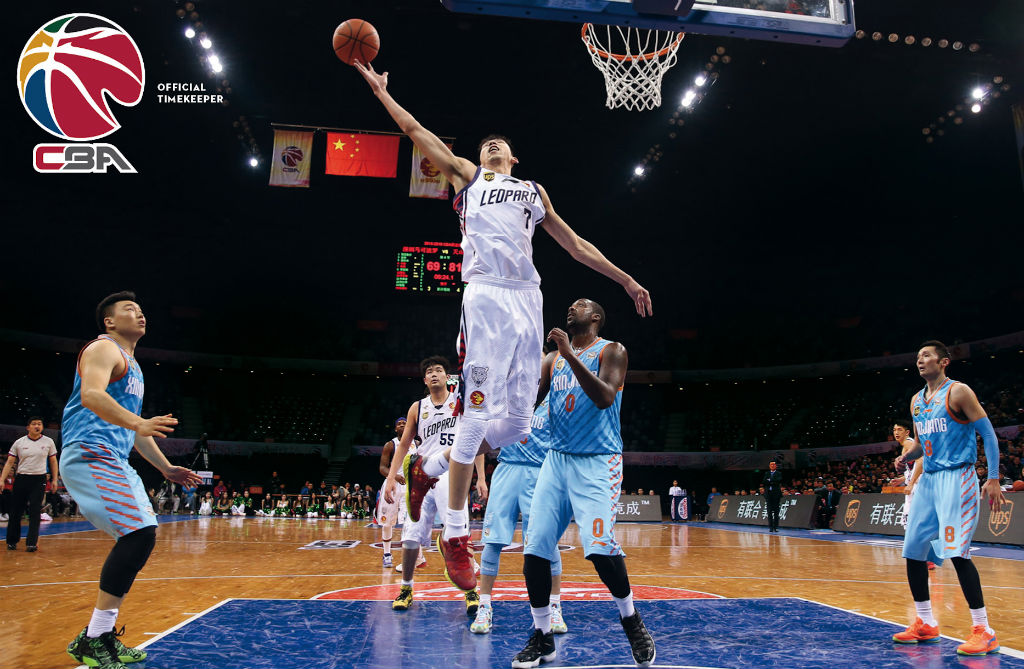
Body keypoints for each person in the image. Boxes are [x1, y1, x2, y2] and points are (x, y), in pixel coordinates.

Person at [355, 61, 653, 592]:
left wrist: (626, 279)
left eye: (499, 145)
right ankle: (454, 534)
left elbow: (575, 245)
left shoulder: (533, 192)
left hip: (528, 300)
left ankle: (431, 466)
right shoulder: (469, 177)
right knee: (475, 410)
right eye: (485, 144)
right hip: (488, 295)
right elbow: (415, 131)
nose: (491, 146)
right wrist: (381, 93)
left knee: (515, 428)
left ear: (514, 158)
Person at [60, 291, 201, 669]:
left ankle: (99, 635)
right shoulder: (103, 348)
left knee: (142, 535)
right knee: (138, 534)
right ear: (109, 321)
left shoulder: (133, 365)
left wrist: (166, 468)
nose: (139, 315)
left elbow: (136, 432)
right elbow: (91, 395)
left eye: (141, 311)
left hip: (114, 458)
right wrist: (139, 421)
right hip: (90, 453)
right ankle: (94, 638)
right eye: (129, 310)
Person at [514, 299, 655, 668]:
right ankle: (542, 635)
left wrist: (568, 354)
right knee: (535, 549)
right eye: (570, 305)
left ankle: (631, 619)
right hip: (556, 460)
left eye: (579, 306)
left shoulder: (612, 350)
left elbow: (605, 397)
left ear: (595, 317)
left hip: (597, 461)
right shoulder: (551, 359)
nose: (570, 308)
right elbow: (529, 401)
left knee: (599, 548)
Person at [892, 341, 1005, 656]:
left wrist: (993, 477)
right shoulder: (916, 401)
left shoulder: (958, 392)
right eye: (918, 356)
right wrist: (906, 457)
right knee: (914, 552)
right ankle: (926, 622)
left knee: (957, 553)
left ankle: (984, 630)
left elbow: (988, 434)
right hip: (928, 480)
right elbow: (920, 445)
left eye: (927, 355)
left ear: (943, 362)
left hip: (958, 477)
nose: (920, 360)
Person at [384, 356, 485, 616]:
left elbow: (475, 440)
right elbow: (404, 445)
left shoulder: (460, 402)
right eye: (429, 372)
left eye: (438, 370)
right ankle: (406, 588)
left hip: (452, 474)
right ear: (425, 380)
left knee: (459, 534)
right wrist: (391, 477)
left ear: (447, 377)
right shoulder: (417, 407)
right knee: (411, 534)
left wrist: (481, 477)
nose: (434, 374)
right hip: (422, 474)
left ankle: (471, 591)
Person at [470, 392, 566, 635]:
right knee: (492, 541)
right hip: (507, 470)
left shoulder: (555, 400)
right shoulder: (508, 397)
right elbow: (481, 434)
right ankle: (484, 605)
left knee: (547, 542)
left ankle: (554, 605)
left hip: (540, 473)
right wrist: (480, 477)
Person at [2, 416, 58, 551]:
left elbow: (53, 461)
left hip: (39, 480)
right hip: (21, 478)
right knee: (16, 511)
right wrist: (1, 479)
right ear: (28, 427)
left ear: (42, 427)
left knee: (35, 511)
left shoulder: (49, 442)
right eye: (34, 424)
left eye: (39, 424)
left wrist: (55, 479)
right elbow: (10, 462)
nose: (37, 426)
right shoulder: (19, 442)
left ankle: (31, 543)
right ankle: (12, 541)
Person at [375, 417, 413, 568]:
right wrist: (394, 476)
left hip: (409, 486)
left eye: (405, 423)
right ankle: (387, 554)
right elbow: (382, 468)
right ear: (395, 429)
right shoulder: (390, 445)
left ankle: (408, 556)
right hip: (392, 485)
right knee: (387, 522)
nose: (402, 425)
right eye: (399, 424)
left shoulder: (416, 443)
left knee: (408, 522)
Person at [761, 461, 783, 532]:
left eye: (773, 464)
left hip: (776, 494)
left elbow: (778, 481)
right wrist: (772, 481)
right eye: (771, 464)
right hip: (768, 494)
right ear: (769, 466)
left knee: (776, 511)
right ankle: (770, 527)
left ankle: (776, 527)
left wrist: (770, 480)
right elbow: (764, 481)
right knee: (769, 511)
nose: (772, 465)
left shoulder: (778, 473)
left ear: (776, 466)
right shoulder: (767, 473)